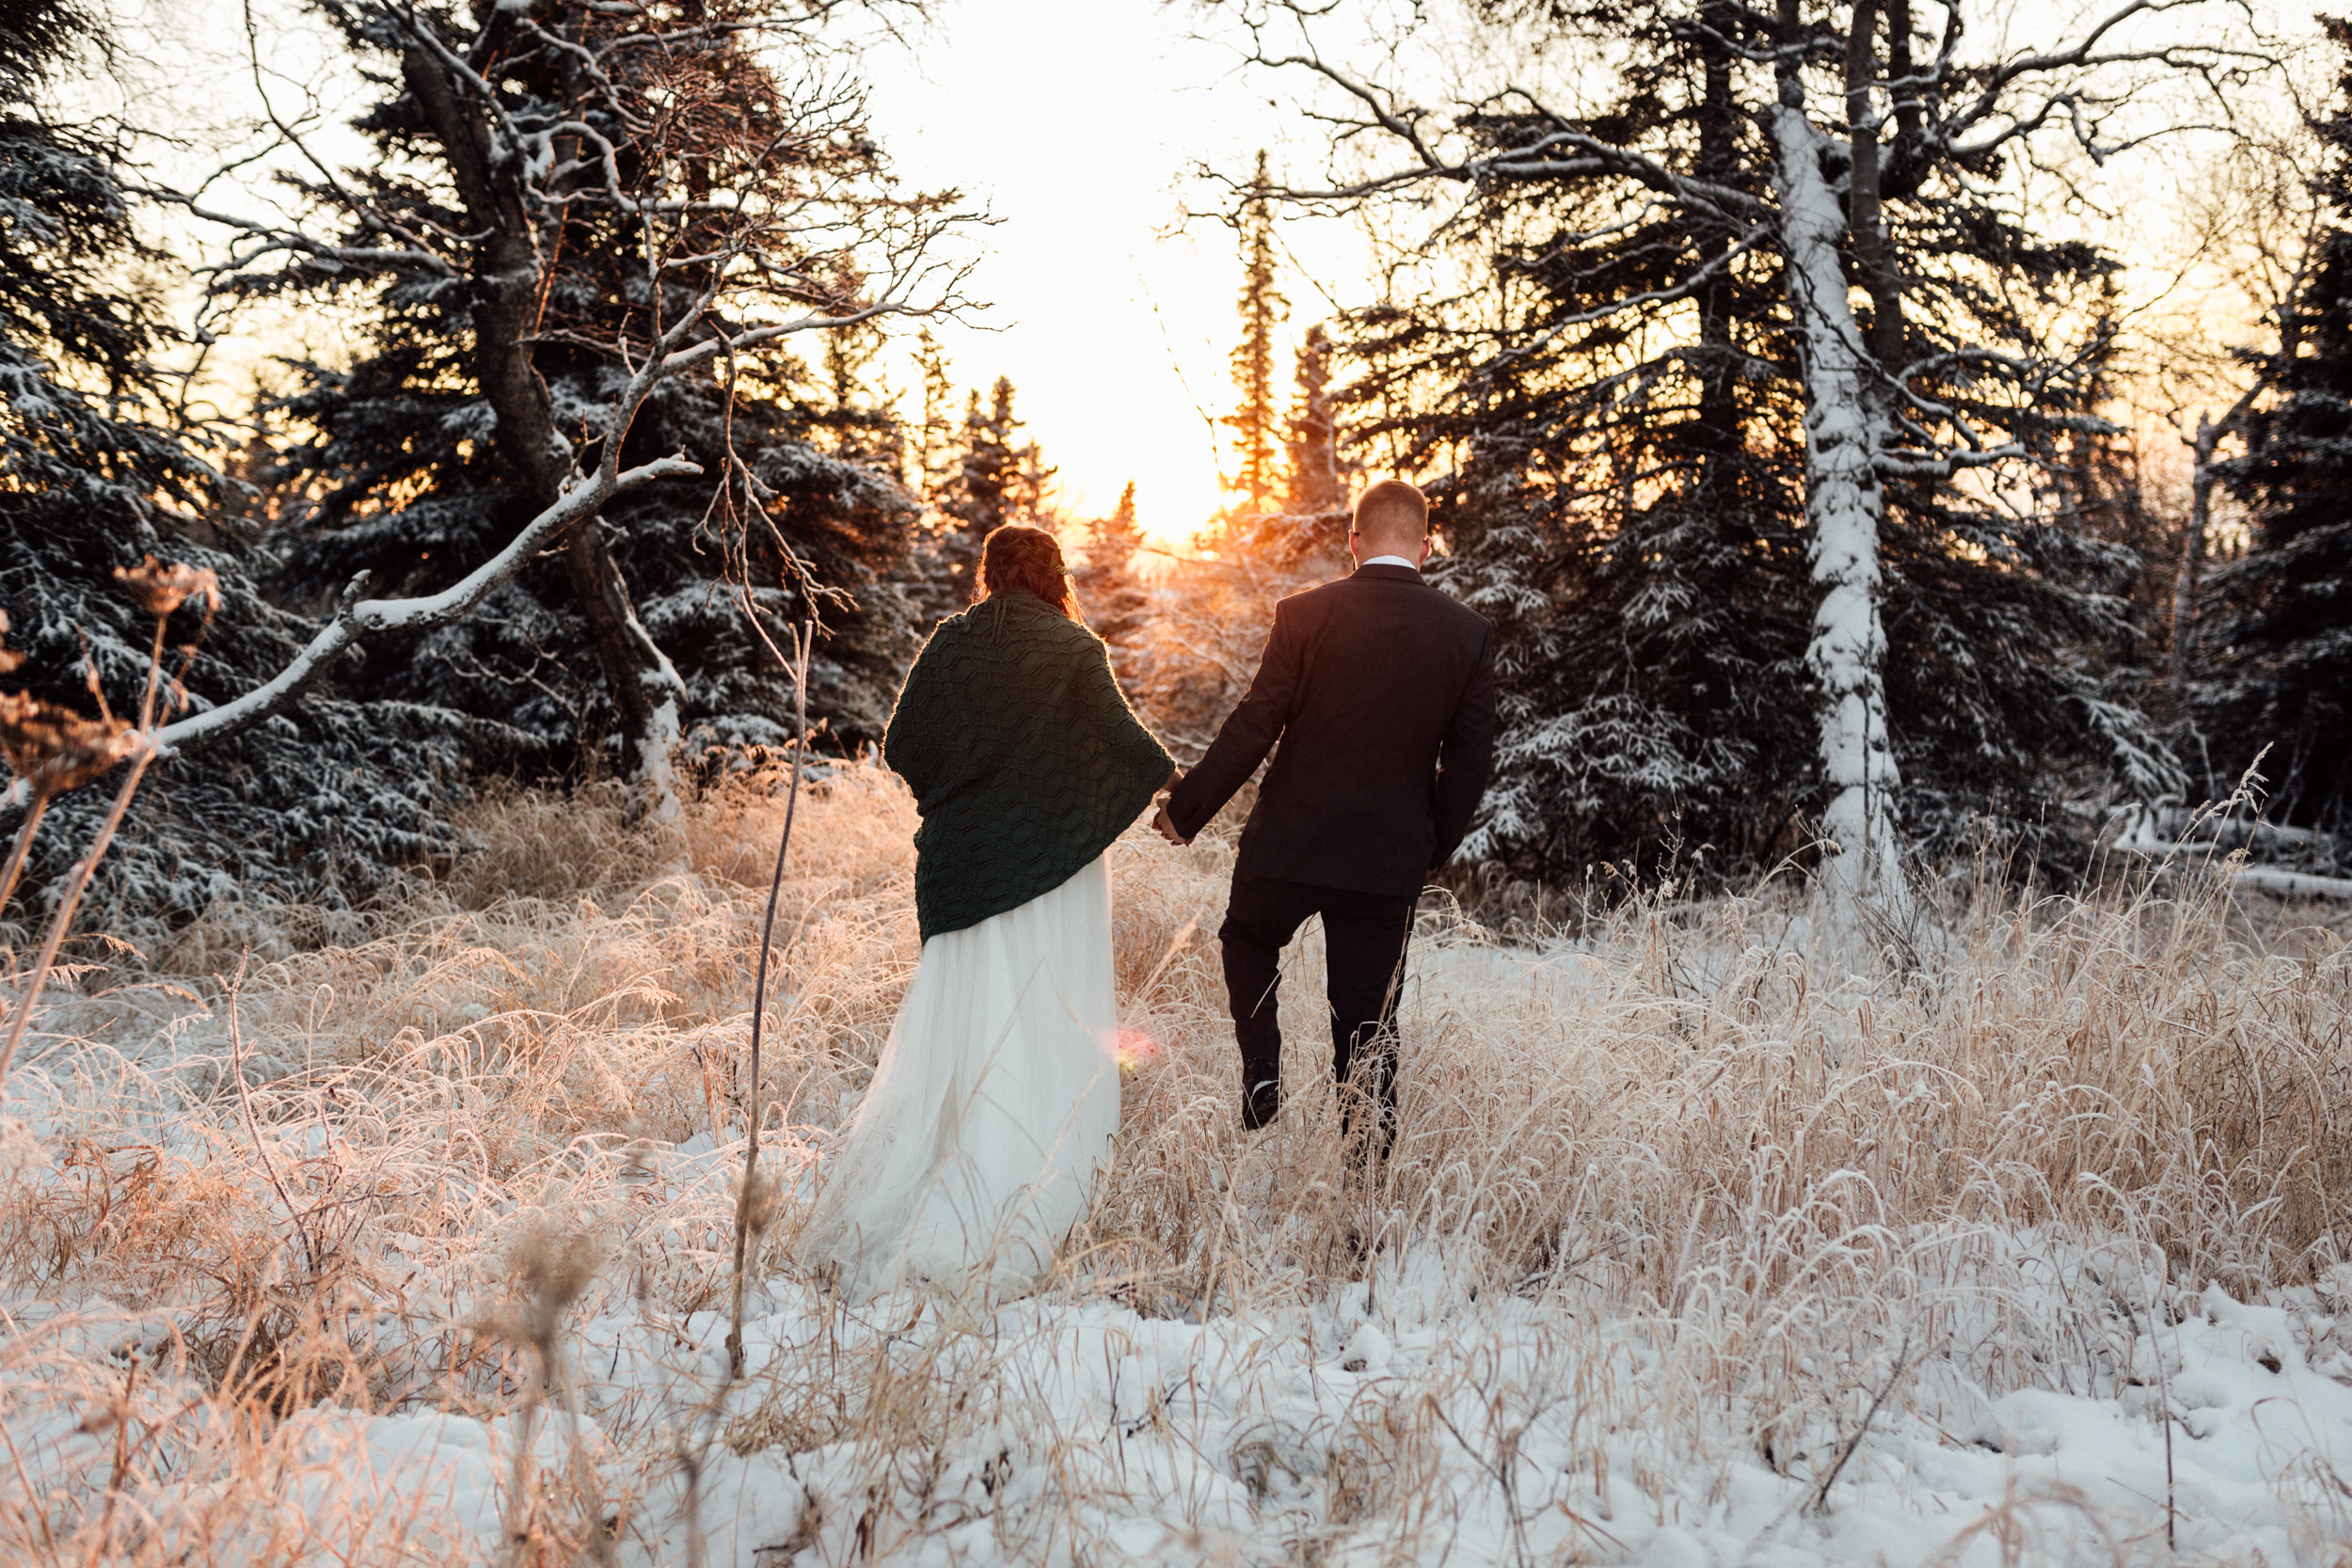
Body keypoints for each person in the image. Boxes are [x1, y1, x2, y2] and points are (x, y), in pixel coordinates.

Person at [800, 524, 1176, 1300]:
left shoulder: (948, 645)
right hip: (1054, 871)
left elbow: (902, 743)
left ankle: (945, 1181)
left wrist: (964, 796)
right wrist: (1119, 796)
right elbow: (1132, 751)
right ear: (1055, 575)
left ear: (988, 575)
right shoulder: (1075, 650)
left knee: (971, 1029)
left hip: (962, 870)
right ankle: (1030, 1190)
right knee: (1048, 1019)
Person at [1155, 480, 1495, 1163]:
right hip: (1384, 861)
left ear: (1354, 540)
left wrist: (1186, 811)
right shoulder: (1467, 633)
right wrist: (1429, 847)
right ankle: (1366, 1185)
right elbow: (1469, 764)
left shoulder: (1303, 614)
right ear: (1426, 548)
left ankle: (1263, 1073)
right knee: (1369, 1026)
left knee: (1247, 938)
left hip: (1288, 845)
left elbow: (1255, 724)